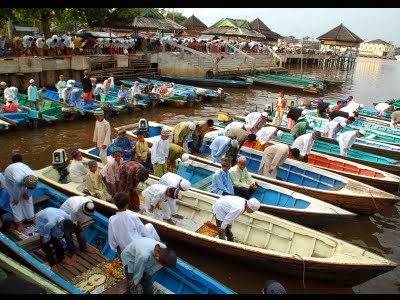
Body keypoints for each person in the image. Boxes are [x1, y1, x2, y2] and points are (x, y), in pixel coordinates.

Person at [35, 207, 76, 272]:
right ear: (60, 226)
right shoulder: (51, 223)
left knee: (58, 241)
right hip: (42, 219)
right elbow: (46, 229)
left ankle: (61, 258)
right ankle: (52, 263)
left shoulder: (68, 218)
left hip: (53, 213)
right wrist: (46, 238)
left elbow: (61, 234)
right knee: (47, 244)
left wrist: (59, 236)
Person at [4, 161, 38, 233]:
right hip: (10, 177)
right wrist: (16, 199)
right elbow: (16, 190)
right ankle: (19, 223)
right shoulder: (18, 180)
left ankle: (31, 217)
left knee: (28, 199)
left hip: (23, 176)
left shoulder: (35, 178)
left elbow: (32, 188)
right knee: (15, 202)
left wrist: (28, 195)